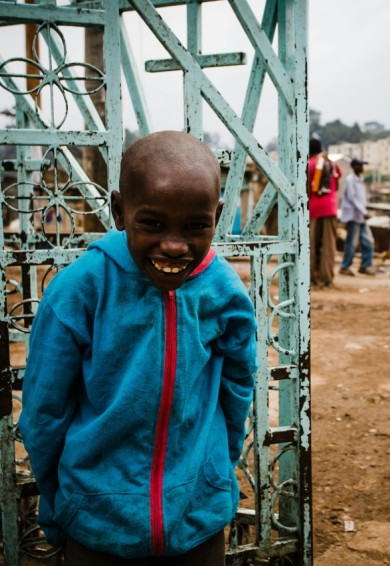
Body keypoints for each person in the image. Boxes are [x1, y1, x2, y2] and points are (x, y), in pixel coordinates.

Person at [18, 131, 258, 565]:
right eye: (152, 223)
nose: (174, 245)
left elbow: (237, 389)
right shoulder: (80, 291)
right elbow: (43, 413)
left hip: (196, 520)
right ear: (119, 211)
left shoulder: (223, 290)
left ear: (217, 217)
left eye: (195, 226)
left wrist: (217, 470)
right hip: (97, 521)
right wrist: (60, 504)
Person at [307, 137, 341, 288]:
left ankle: (312, 276)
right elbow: (337, 185)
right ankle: (327, 277)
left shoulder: (309, 165)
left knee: (312, 244)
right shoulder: (332, 164)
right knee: (329, 244)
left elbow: (306, 188)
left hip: (314, 208)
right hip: (331, 208)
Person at [338, 157, 375, 276]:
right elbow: (353, 198)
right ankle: (345, 266)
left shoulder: (360, 179)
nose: (362, 168)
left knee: (368, 241)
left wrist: (364, 211)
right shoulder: (350, 180)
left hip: (361, 216)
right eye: (359, 165)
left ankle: (365, 265)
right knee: (351, 243)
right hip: (353, 216)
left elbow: (361, 198)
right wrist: (364, 211)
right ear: (353, 167)